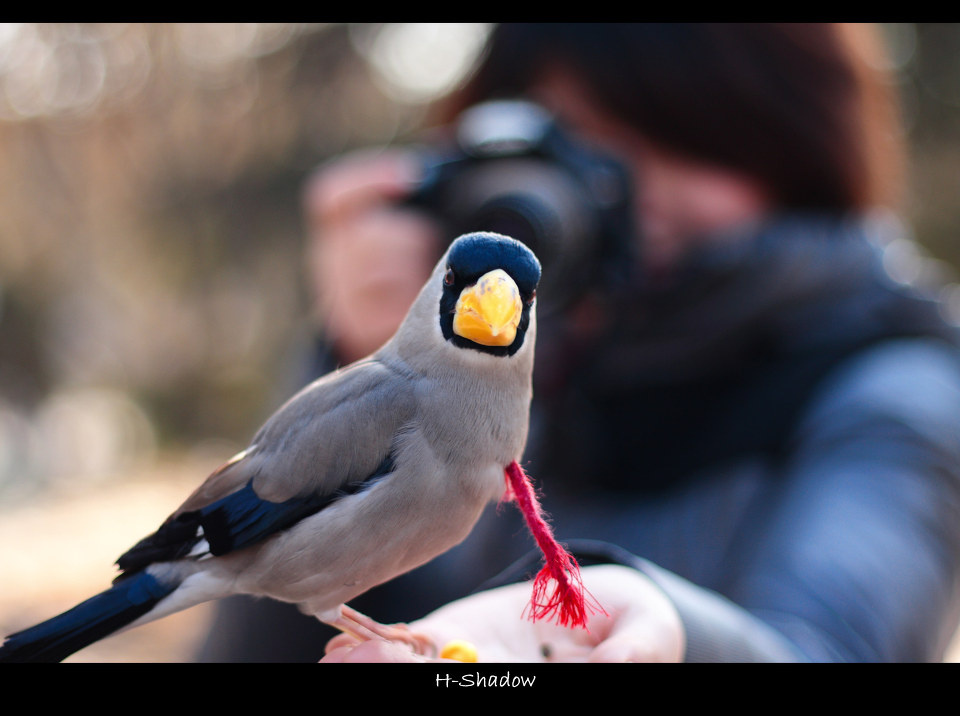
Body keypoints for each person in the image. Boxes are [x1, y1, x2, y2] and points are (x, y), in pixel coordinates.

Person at [197, 23, 960, 663]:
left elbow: (834, 645)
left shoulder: (897, 384)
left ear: (798, 152)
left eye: (677, 138)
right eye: (573, 147)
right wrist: (366, 379)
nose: (624, 196)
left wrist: (663, 630)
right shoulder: (514, 356)